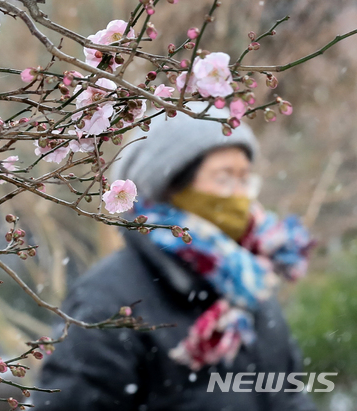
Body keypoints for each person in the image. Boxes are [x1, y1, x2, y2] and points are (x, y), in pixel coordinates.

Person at [31, 104, 317, 410]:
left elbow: (288, 398)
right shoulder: (109, 302)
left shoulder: (251, 287)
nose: (240, 194)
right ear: (170, 186)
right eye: (224, 178)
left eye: (245, 178)